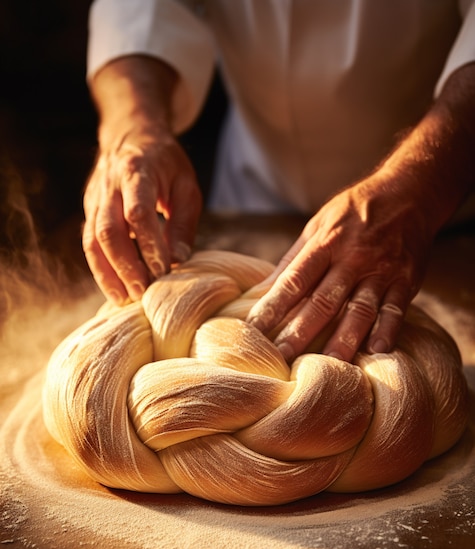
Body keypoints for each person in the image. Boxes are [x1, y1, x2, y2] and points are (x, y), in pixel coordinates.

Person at [83, 0, 475, 363]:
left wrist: (419, 190)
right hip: (255, 190)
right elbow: (140, 7)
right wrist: (133, 128)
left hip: (438, 199)